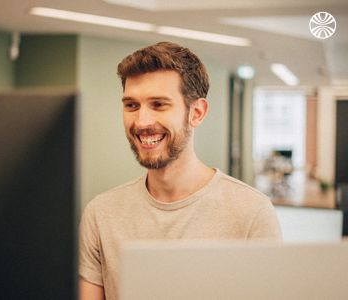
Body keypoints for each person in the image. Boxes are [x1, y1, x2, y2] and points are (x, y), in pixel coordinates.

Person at [79, 41, 282, 300]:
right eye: (131, 105)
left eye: (159, 104)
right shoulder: (100, 213)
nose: (141, 122)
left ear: (196, 113)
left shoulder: (251, 212)